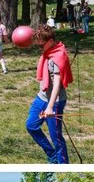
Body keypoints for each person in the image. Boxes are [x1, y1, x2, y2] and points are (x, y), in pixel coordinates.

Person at [27, 25, 73, 164]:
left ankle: (63, 165)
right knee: (31, 126)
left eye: (41, 45)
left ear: (51, 41)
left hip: (55, 101)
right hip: (42, 97)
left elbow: (57, 85)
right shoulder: (48, 53)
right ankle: (52, 155)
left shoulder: (58, 56)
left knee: (56, 138)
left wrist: (50, 107)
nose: (40, 48)